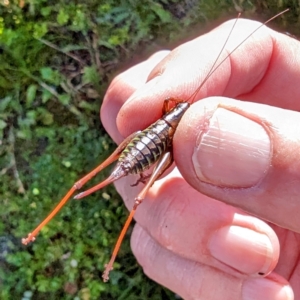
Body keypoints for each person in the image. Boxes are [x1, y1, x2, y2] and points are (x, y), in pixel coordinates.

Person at [100, 18, 299, 300]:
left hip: (150, 146)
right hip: (147, 143)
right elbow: (166, 150)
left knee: (139, 194)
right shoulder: (169, 112)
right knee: (127, 169)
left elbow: (168, 158)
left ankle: (109, 260)